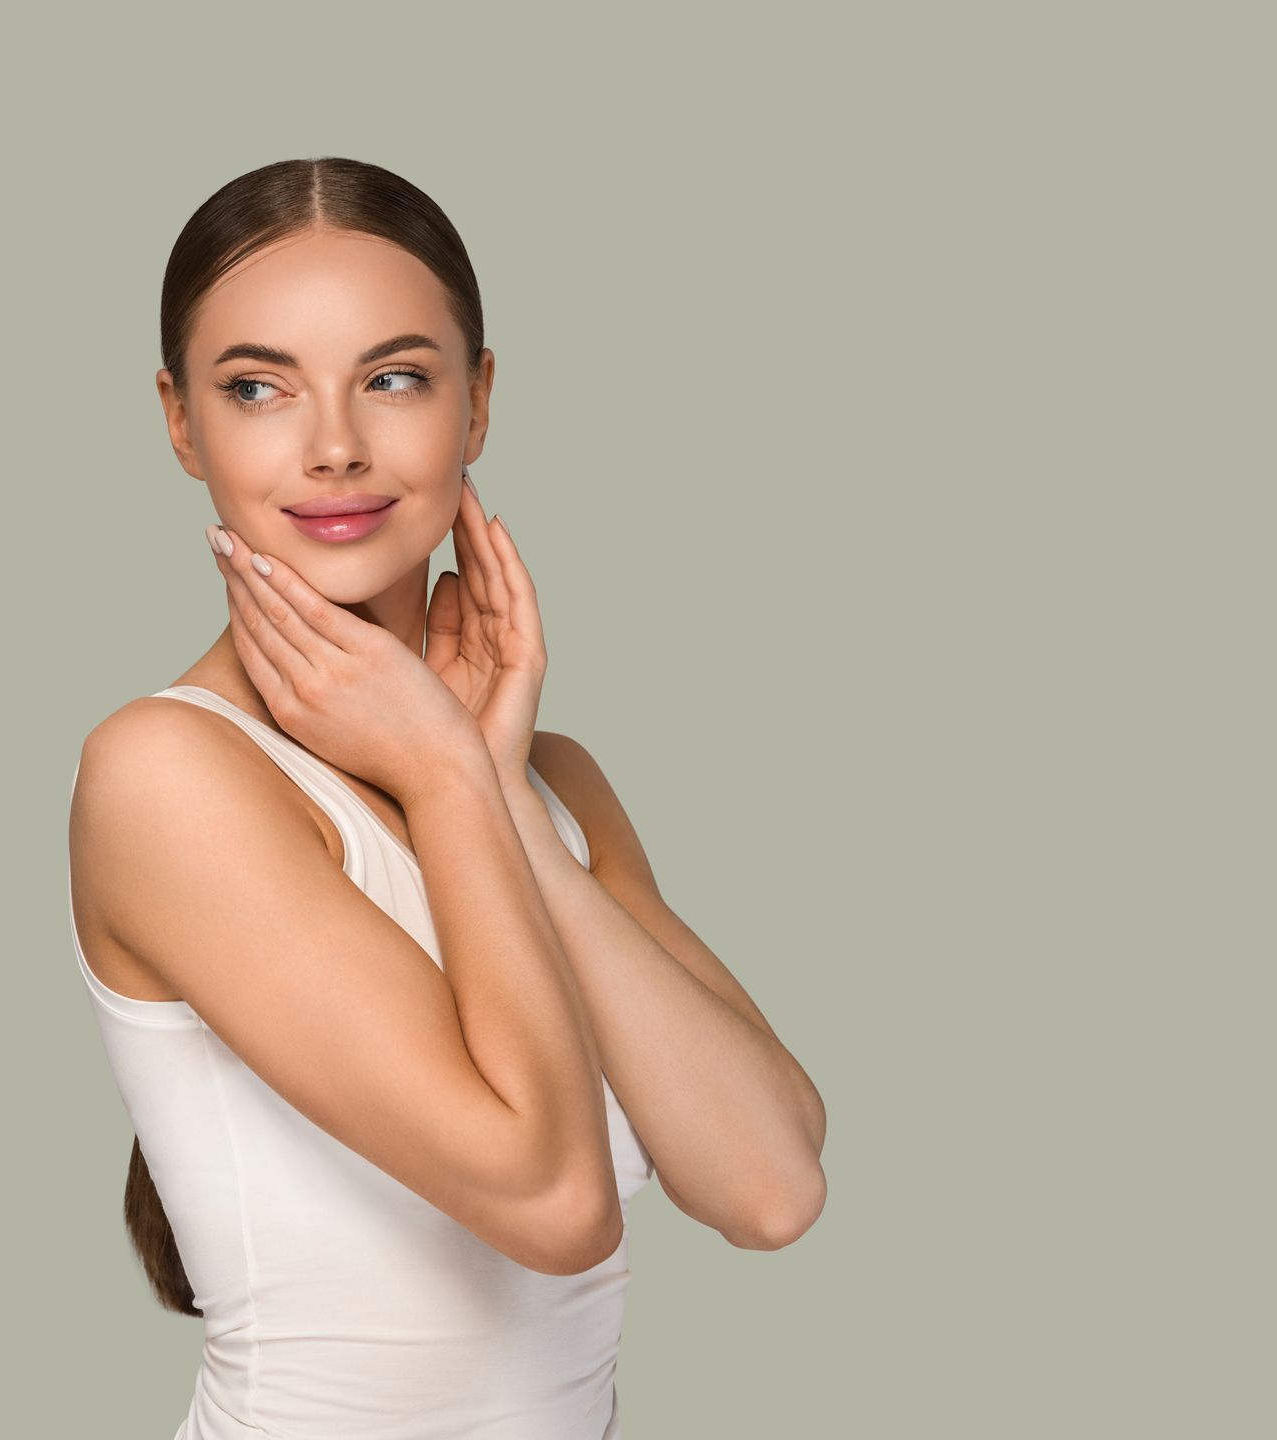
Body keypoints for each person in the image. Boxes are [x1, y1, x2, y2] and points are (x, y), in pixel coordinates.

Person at [67, 156, 827, 1439]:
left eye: (396, 377)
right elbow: (551, 1200)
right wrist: (439, 769)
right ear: (181, 421)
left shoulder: (551, 783)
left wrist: (489, 786)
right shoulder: (166, 774)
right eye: (257, 388)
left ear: (477, 405)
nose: (333, 448)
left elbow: (770, 1186)